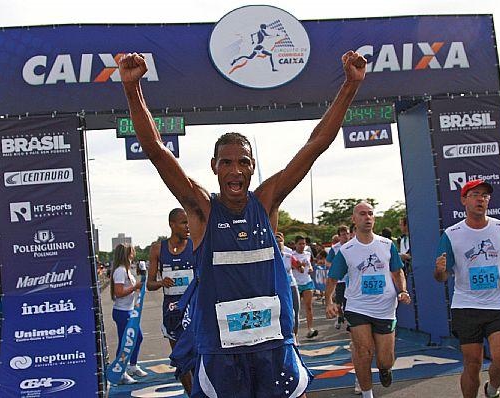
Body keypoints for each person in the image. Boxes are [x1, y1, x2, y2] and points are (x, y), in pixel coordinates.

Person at [119, 48, 366, 397]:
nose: (235, 170)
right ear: (214, 167)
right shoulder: (202, 209)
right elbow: (157, 151)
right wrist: (133, 89)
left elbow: (316, 144)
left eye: (243, 162)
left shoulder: (266, 201)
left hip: (273, 343)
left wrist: (350, 85)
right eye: (226, 162)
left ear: (252, 167)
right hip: (222, 350)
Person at [434, 179, 500, 398]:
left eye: (484, 195)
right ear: (464, 200)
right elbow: (441, 276)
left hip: (498, 303)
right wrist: (439, 270)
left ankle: (491, 390)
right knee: (472, 364)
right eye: (475, 194)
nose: (481, 199)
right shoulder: (451, 234)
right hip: (466, 305)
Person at [326, 202, 411, 398]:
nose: (367, 217)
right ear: (354, 220)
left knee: (385, 360)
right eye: (362, 214)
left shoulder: (386, 245)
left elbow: (397, 271)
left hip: (385, 307)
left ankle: (384, 368)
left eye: (370, 214)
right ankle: (367, 393)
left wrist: (403, 290)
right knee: (364, 352)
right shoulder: (346, 250)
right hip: (358, 306)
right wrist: (329, 302)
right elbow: (332, 278)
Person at [148, 208, 195, 394]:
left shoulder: (195, 244)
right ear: (172, 224)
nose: (188, 227)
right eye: (184, 222)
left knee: (199, 356)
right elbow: (149, 285)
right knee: (181, 358)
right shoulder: (158, 249)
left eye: (189, 222)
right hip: (172, 312)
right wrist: (161, 282)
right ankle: (191, 394)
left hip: (194, 308)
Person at [110, 243, 145, 384]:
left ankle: (132, 366)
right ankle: (120, 372)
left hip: (129, 310)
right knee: (125, 341)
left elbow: (128, 289)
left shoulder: (127, 270)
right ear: (127, 253)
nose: (134, 252)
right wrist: (134, 287)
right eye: (132, 251)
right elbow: (119, 292)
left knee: (137, 338)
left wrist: (137, 288)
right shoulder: (120, 271)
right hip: (122, 311)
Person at [291, 235, 319, 339]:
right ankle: (294, 333)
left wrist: (310, 268)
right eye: (300, 244)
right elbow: (295, 267)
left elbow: (309, 265)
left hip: (307, 282)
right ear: (295, 244)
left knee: (309, 307)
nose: (302, 246)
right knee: (295, 309)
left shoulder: (307, 253)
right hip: (296, 283)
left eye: (304, 244)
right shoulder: (291, 255)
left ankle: (310, 329)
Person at [326, 225, 351, 330]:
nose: (345, 236)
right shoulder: (335, 248)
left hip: (352, 280)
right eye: (343, 235)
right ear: (339, 236)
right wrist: (337, 267)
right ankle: (340, 316)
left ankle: (349, 324)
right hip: (340, 280)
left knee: (349, 303)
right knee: (339, 303)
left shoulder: (354, 245)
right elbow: (327, 263)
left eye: (347, 234)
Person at [276, 232, 300, 341]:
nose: (278, 243)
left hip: (291, 286)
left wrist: (304, 267)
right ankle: (284, 337)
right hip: (277, 288)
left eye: (280, 241)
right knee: (282, 313)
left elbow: (300, 267)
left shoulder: (289, 256)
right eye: (276, 241)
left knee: (295, 311)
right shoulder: (270, 256)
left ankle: (295, 336)